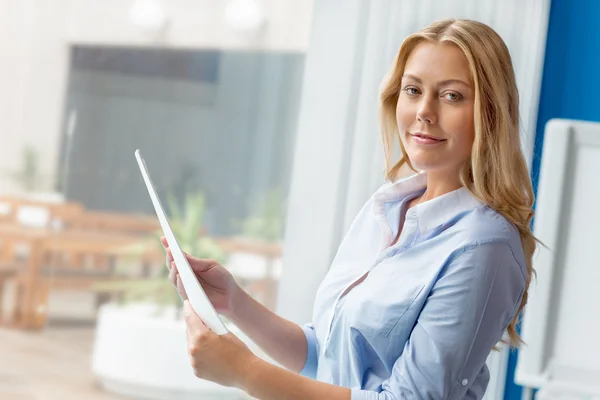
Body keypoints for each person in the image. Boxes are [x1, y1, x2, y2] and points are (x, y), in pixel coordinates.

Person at [161, 18, 538, 399]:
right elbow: (327, 354)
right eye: (413, 89)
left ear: (490, 113)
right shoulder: (389, 208)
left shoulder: (483, 246)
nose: (424, 110)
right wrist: (236, 304)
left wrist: (244, 371)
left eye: (452, 95)